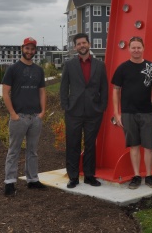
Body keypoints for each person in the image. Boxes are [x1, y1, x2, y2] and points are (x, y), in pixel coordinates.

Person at [112, 36, 152, 190]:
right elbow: (116, 91)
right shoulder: (122, 68)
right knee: (134, 146)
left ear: (143, 48)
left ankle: (149, 176)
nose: (136, 50)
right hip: (128, 113)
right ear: (129, 49)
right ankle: (136, 176)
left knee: (149, 146)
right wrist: (117, 112)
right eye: (133, 47)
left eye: (138, 47)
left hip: (147, 112)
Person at [60, 33, 108, 188]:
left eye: (84, 43)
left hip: (94, 112)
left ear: (89, 44)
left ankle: (89, 176)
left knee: (90, 145)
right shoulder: (69, 65)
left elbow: (104, 88)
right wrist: (66, 106)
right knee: (72, 144)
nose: (82, 46)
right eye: (79, 44)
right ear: (75, 47)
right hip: (73, 112)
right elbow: (63, 88)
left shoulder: (100, 65)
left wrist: (101, 107)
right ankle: (73, 177)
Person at [2, 37, 47, 197]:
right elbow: (5, 92)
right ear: (22, 48)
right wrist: (13, 114)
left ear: (35, 50)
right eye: (27, 48)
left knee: (33, 150)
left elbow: (42, 91)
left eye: (32, 49)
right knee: (14, 150)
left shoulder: (38, 70)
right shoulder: (13, 69)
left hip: (35, 117)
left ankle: (32, 179)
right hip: (19, 117)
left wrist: (42, 112)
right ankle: (9, 182)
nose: (29, 51)